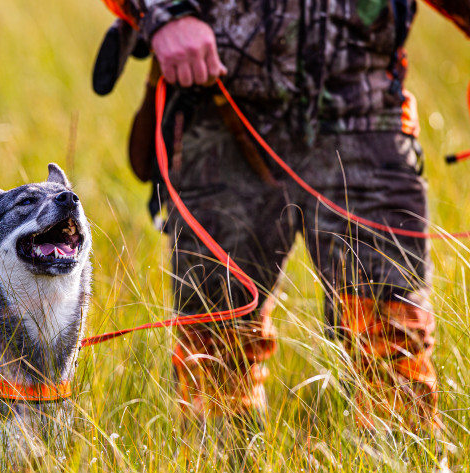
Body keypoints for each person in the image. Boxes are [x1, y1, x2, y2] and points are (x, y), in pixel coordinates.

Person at [93, 0, 470, 436]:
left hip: (367, 115)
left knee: (394, 352)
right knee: (214, 360)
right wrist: (166, 14)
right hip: (219, 109)